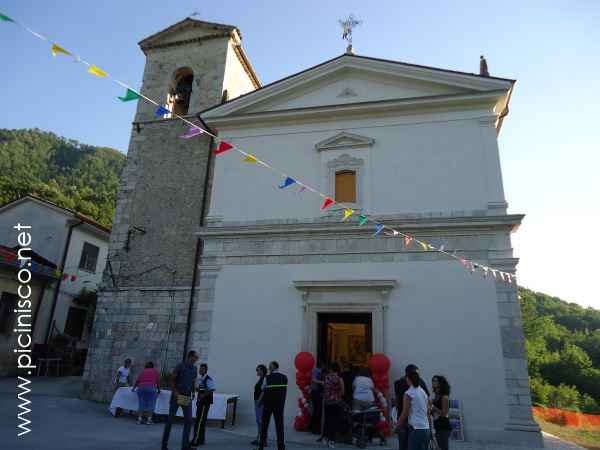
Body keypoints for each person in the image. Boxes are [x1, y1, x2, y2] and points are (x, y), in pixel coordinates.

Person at [162, 350, 199, 450]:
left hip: (186, 397)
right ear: (190, 356)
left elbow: (192, 381)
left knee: (188, 420)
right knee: (170, 420)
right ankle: (164, 445)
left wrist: (193, 391)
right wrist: (174, 391)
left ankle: (185, 446)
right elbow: (172, 379)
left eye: (197, 358)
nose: (196, 359)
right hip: (177, 396)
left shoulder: (194, 369)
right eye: (195, 357)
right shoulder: (180, 366)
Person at [394, 364, 430, 450]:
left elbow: (398, 402)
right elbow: (428, 403)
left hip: (407, 420)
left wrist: (397, 425)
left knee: (403, 445)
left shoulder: (398, 383)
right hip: (421, 424)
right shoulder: (421, 384)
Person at [256, 361, 288, 450]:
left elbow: (263, 390)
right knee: (279, 426)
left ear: (273, 367)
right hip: (279, 405)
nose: (268, 369)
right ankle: (281, 447)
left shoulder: (267, 378)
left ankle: (261, 447)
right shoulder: (284, 377)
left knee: (264, 425)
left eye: (270, 367)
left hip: (268, 404)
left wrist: (259, 401)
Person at [191, 363, 215, 447]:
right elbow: (201, 389)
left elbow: (211, 389)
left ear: (205, 370)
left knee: (199, 421)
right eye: (200, 369)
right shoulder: (200, 379)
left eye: (202, 369)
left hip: (205, 403)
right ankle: (201, 439)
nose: (200, 370)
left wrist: (202, 396)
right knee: (201, 420)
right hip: (201, 402)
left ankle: (196, 440)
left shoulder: (208, 379)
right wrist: (196, 389)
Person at [322, 362, 345, 448]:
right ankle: (331, 440)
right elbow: (343, 392)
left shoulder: (326, 377)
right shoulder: (339, 378)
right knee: (334, 421)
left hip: (327, 401)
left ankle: (325, 438)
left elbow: (324, 387)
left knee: (327, 420)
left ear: (331, 369)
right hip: (336, 402)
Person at [431, 375, 451, 450]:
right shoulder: (436, 397)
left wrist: (433, 407)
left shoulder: (444, 397)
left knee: (443, 447)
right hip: (436, 426)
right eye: (432, 380)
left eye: (435, 380)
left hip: (443, 426)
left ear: (440, 383)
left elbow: (444, 413)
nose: (433, 382)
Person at [251, 364, 268, 446]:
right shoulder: (261, 379)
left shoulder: (264, 379)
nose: (257, 371)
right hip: (258, 402)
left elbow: (264, 391)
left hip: (260, 402)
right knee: (259, 421)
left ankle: (263, 440)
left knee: (261, 421)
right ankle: (259, 438)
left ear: (262, 370)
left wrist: (259, 401)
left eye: (258, 370)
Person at [309, 360, 324, 435]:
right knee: (318, 410)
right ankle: (314, 428)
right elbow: (313, 379)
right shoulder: (316, 370)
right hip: (315, 392)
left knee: (317, 410)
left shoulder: (318, 370)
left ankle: (312, 427)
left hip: (316, 392)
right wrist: (322, 382)